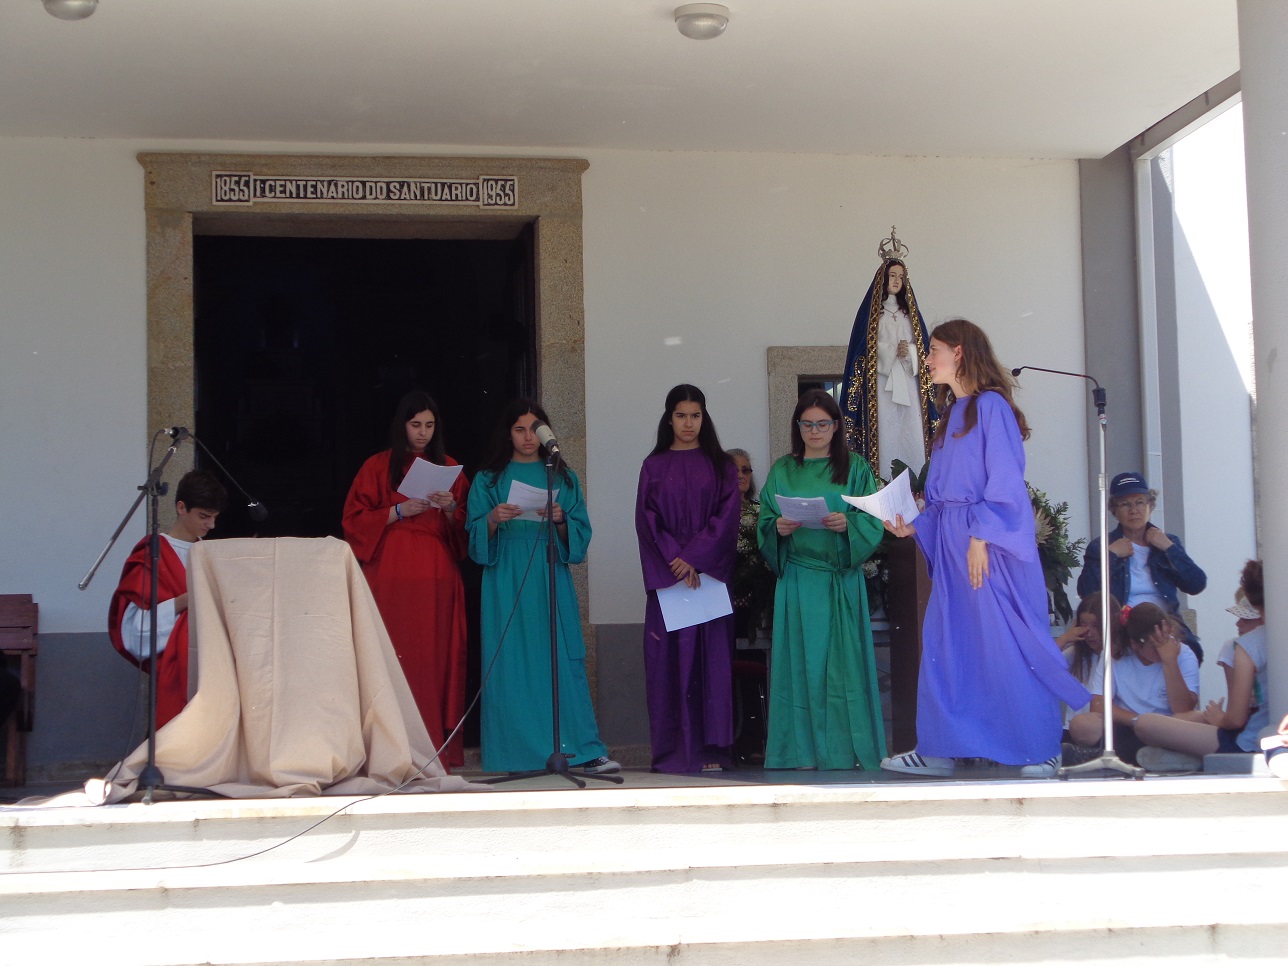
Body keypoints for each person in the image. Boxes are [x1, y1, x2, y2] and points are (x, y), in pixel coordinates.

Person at [880, 318, 1090, 779]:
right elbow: (943, 499)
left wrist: (981, 537)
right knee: (949, 648)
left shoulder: (991, 407)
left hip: (987, 550)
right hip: (954, 548)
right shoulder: (952, 414)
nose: (927, 359)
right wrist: (914, 526)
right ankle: (939, 748)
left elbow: (1007, 482)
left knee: (1008, 647)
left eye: (933, 350)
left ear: (959, 352)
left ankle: (1041, 747)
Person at [466, 400, 618, 775]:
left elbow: (580, 536)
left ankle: (581, 750)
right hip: (506, 575)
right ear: (508, 434)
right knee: (511, 661)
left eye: (535, 429)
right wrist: (492, 518)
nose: (528, 437)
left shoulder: (563, 477)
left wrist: (561, 519)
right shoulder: (488, 479)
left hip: (549, 573)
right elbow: (473, 540)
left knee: (562, 658)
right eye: (519, 429)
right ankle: (514, 753)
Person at [757, 389, 886, 770]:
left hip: (839, 579)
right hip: (799, 581)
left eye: (823, 424)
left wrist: (849, 524)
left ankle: (844, 752)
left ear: (836, 426)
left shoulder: (855, 468)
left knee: (843, 669)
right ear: (797, 427)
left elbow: (874, 519)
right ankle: (801, 752)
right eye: (807, 424)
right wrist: (777, 528)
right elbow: (765, 519)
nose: (815, 431)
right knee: (800, 667)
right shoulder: (783, 469)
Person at [342, 390, 470, 768]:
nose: (423, 433)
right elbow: (353, 520)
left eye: (429, 425)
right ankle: (387, 749)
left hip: (435, 574)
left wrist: (450, 509)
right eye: (416, 425)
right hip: (390, 571)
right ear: (402, 426)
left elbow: (466, 530)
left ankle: (431, 747)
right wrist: (399, 511)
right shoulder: (377, 466)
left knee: (432, 660)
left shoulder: (450, 467)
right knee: (391, 655)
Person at [635, 385, 741, 773]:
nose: (688, 423)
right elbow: (646, 521)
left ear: (704, 418)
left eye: (695, 415)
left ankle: (713, 752)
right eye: (681, 415)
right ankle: (672, 754)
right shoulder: (654, 466)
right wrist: (675, 561)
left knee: (711, 668)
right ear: (669, 419)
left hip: (707, 582)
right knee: (668, 667)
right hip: (671, 583)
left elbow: (727, 519)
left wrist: (694, 558)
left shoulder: (721, 466)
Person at [109, 468, 228, 728]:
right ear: (181, 507)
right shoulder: (152, 553)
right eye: (204, 516)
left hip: (215, 665)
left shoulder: (211, 554)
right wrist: (183, 601)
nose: (211, 525)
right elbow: (134, 633)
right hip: (178, 668)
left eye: (214, 517)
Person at [1133, 560, 1268, 772]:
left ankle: (1194, 758)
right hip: (1260, 732)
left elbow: (1235, 719)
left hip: (1249, 744)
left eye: (1246, 618)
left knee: (1145, 724)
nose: (1239, 623)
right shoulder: (1246, 645)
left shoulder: (1247, 646)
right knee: (1187, 718)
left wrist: (1219, 718)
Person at [1077, 472, 1206, 661]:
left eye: (1139, 502)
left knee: (1190, 652)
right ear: (1114, 510)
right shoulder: (1101, 546)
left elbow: (1196, 584)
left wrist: (1169, 549)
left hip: (1165, 620)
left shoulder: (1168, 542)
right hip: (1122, 624)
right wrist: (1110, 556)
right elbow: (1087, 592)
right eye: (1125, 504)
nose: (1133, 510)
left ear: (1150, 506)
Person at [839, 232, 937, 480]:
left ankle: (917, 481)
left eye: (900, 277)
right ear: (882, 279)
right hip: (881, 386)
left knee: (912, 429)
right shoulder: (873, 315)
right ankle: (882, 479)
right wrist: (890, 352)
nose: (896, 281)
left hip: (909, 382)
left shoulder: (909, 316)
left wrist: (910, 353)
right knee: (885, 431)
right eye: (892, 275)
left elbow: (924, 349)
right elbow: (862, 353)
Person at [1067, 601, 1200, 766]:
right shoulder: (1114, 654)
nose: (1164, 646)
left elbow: (1184, 708)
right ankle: (1152, 755)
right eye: (1156, 644)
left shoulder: (1183, 654)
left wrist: (1170, 661)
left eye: (1167, 638)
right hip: (1128, 726)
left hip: (1169, 726)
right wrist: (1140, 722)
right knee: (1081, 724)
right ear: (1135, 644)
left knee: (1196, 718)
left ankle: (1130, 755)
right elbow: (1098, 705)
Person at [1055, 592, 1125, 734]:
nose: (1090, 633)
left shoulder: (1123, 658)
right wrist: (1064, 639)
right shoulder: (1075, 654)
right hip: (1074, 730)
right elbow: (1041, 665)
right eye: (1084, 625)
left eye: (1096, 626)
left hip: (1111, 732)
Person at [726, 448, 775, 643]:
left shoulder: (762, 511)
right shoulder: (712, 513)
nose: (740, 475)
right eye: (733, 470)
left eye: (745, 470)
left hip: (758, 598)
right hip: (725, 596)